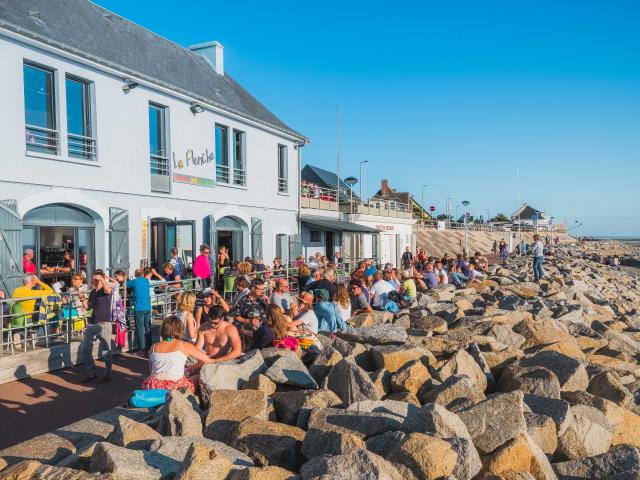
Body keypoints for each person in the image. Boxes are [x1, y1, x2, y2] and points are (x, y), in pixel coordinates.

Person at [142, 315, 214, 393]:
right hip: (174, 387)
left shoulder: (153, 347)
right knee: (197, 377)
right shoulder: (183, 345)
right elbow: (207, 360)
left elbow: (151, 369)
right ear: (180, 330)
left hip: (153, 386)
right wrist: (194, 367)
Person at [80, 270, 113, 383]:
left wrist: (102, 279)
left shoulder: (106, 290)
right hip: (92, 322)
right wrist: (83, 300)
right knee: (86, 349)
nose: (93, 281)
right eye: (93, 279)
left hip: (104, 323)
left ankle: (107, 374)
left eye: (95, 279)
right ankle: (92, 373)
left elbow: (108, 290)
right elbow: (88, 307)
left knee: (106, 351)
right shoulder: (93, 292)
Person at [128, 268, 152, 356]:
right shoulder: (146, 281)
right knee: (148, 328)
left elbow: (126, 284)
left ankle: (142, 349)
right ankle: (149, 347)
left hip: (139, 308)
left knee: (140, 329)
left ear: (135, 274)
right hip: (147, 307)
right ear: (142, 274)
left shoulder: (134, 281)